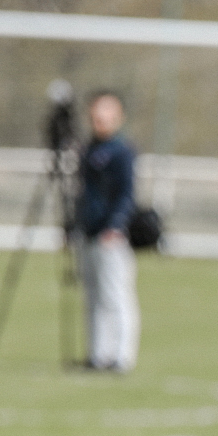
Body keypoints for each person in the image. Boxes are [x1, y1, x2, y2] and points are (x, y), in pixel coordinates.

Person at [75, 90, 141, 373]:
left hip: (110, 236)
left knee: (115, 295)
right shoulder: (87, 149)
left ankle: (122, 356)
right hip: (87, 232)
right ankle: (98, 354)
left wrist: (115, 225)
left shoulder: (122, 151)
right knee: (93, 295)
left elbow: (127, 193)